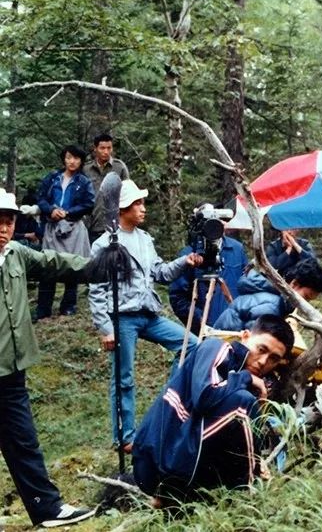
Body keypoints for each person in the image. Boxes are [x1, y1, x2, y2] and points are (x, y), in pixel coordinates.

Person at [0, 189, 96, 528]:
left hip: (11, 370)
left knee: (23, 441)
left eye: (8, 221)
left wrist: (96, 268)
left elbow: (52, 263)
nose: (3, 228)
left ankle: (47, 509)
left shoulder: (15, 253)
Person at [88, 179, 201, 451]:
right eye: (137, 203)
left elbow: (159, 272)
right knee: (123, 377)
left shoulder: (145, 239)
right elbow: (96, 289)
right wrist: (105, 327)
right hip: (122, 317)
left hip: (149, 313)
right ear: (123, 208)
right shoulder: (105, 244)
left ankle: (169, 405)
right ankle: (125, 437)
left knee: (190, 344)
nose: (143, 208)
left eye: (142, 203)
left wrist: (184, 263)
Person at [133, 315, 295, 500]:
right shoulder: (216, 348)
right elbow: (204, 397)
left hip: (179, 462)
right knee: (243, 403)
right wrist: (246, 378)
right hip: (157, 463)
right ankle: (251, 495)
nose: (263, 362)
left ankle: (223, 495)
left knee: (243, 407)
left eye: (274, 359)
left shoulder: (241, 380)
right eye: (261, 349)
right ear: (245, 336)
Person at [35, 145, 96, 319]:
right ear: (64, 158)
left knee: (73, 265)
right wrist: (50, 210)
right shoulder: (53, 178)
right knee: (48, 265)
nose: (72, 161)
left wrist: (68, 212)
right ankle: (43, 309)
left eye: (76, 158)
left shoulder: (84, 182)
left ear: (81, 160)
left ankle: (68, 306)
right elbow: (41, 198)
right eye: (69, 157)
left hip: (73, 227)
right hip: (52, 227)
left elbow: (89, 204)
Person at [169, 219, 249, 335]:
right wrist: (200, 319)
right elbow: (177, 297)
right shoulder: (190, 254)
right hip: (204, 331)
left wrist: (242, 316)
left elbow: (246, 286)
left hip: (235, 328)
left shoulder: (236, 249)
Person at [213, 257, 322, 331]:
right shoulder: (272, 305)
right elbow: (255, 341)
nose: (306, 305)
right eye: (306, 297)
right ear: (294, 284)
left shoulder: (277, 298)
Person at [83, 133, 130, 244]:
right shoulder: (86, 169)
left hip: (116, 225)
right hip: (93, 224)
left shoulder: (119, 167)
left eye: (109, 148)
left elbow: (127, 193)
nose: (106, 152)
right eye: (102, 148)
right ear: (95, 149)